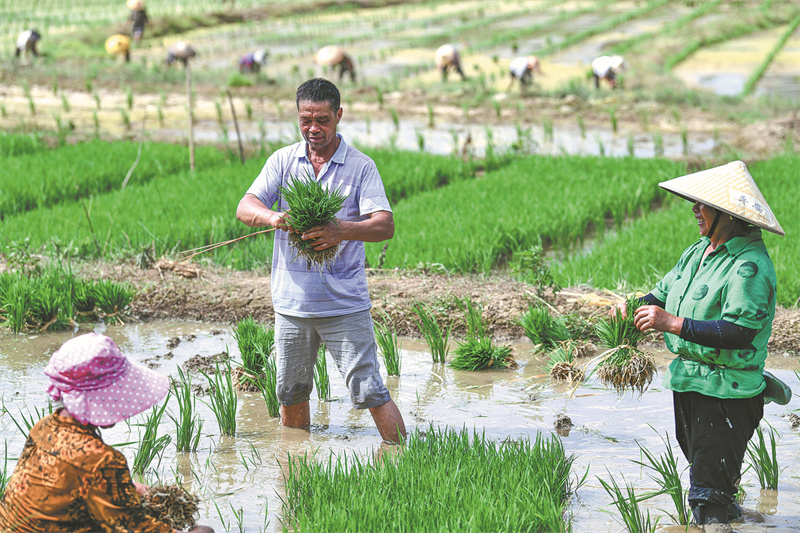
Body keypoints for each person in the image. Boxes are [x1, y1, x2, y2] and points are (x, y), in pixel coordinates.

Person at [616, 160, 787, 529]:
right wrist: (632, 306)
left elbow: (738, 331)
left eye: (704, 204)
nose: (695, 209)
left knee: (707, 493)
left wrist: (671, 323)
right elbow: (660, 296)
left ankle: (715, 520)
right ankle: (736, 518)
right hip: (688, 381)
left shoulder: (750, 265)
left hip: (726, 391)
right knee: (709, 477)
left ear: (729, 214)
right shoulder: (697, 253)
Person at [236, 78, 407, 445]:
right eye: (305, 120)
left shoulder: (361, 166)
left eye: (322, 120)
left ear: (338, 115)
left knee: (370, 389)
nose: (313, 128)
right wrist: (273, 217)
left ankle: (403, 459)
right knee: (291, 391)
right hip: (292, 304)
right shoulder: (283, 160)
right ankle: (296, 461)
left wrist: (340, 230)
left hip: (343, 303)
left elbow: (385, 225)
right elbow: (246, 206)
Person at [0, 333, 214, 533]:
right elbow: (135, 529)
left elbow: (69, 484)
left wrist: (130, 488)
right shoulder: (103, 460)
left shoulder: (45, 426)